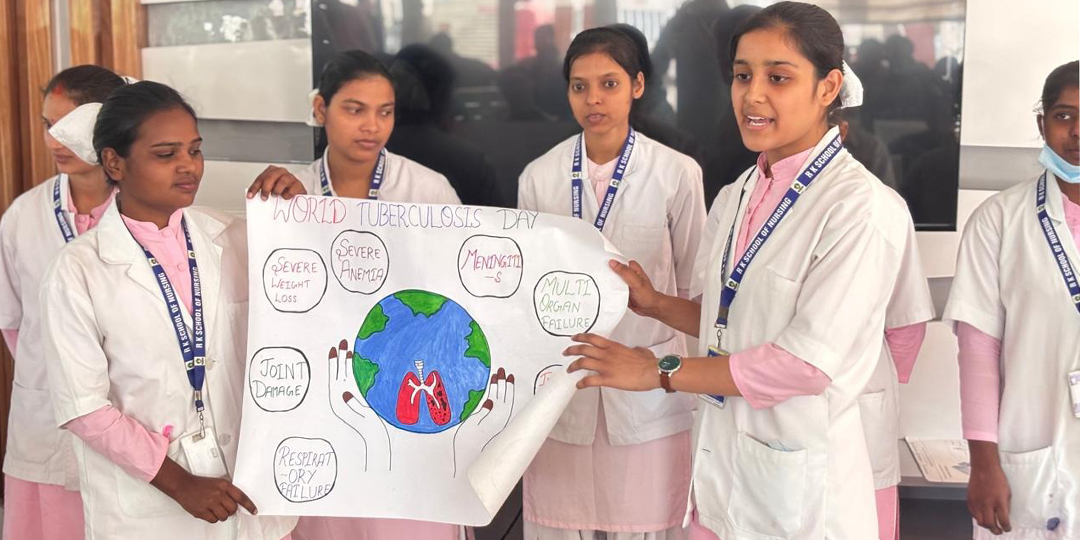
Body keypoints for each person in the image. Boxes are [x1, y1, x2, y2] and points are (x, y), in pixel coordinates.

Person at [563, 4, 917, 539]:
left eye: (778, 77)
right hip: (722, 472)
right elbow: (732, 319)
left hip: (799, 491)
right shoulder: (737, 194)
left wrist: (658, 370)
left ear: (828, 87)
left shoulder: (860, 208)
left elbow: (804, 364)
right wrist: (656, 304)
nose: (752, 95)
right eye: (742, 75)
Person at [39, 80, 301, 540]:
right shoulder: (78, 270)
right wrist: (179, 483)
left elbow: (308, 315)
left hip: (250, 493)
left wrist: (296, 216)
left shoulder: (236, 238)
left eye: (195, 150)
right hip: (151, 509)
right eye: (166, 154)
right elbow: (84, 408)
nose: (188, 166)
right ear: (114, 162)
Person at [518, 26, 706, 540]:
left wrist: (693, 380)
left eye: (609, 84)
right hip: (564, 382)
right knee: (559, 519)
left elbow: (693, 286)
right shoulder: (539, 176)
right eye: (579, 86)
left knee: (651, 521)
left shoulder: (676, 173)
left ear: (637, 86)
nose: (593, 99)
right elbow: (528, 289)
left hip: (648, 384)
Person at [285, 49, 466, 540]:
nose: (372, 126)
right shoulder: (291, 194)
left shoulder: (427, 189)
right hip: (322, 395)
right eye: (355, 109)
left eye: (385, 112)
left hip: (409, 384)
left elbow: (457, 299)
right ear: (320, 109)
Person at [944, 59, 1079, 539]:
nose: (1077, 131)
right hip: (1033, 444)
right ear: (1042, 124)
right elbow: (979, 351)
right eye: (1064, 116)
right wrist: (983, 464)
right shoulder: (999, 220)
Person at [0, 64, 127, 540]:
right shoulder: (23, 216)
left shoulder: (148, 211)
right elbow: (15, 324)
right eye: (47, 124)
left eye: (70, 124)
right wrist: (60, 376)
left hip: (132, 422)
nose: (55, 139)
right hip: (46, 420)